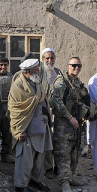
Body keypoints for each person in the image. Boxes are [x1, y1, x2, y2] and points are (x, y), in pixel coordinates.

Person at [49, 57, 97, 192]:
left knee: (75, 151)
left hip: (78, 123)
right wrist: (70, 118)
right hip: (64, 124)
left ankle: (71, 176)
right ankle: (64, 182)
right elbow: (55, 102)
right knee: (63, 152)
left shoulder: (78, 84)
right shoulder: (61, 82)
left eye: (79, 66)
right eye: (74, 65)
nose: (77, 68)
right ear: (68, 66)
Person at [8, 59, 53, 192]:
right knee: (25, 158)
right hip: (26, 126)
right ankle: (21, 185)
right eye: (37, 69)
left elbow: (42, 99)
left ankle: (36, 180)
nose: (39, 71)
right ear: (28, 71)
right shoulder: (18, 85)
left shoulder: (36, 81)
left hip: (40, 124)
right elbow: (15, 109)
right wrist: (19, 130)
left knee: (40, 156)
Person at [40, 48, 62, 178]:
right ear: (43, 59)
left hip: (57, 111)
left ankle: (58, 167)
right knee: (47, 140)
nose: (49, 61)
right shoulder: (39, 72)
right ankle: (47, 167)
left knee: (58, 140)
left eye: (52, 58)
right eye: (47, 58)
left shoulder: (58, 72)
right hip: (44, 110)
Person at [0, 57, 14, 163]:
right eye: (1, 65)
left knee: (7, 133)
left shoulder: (12, 77)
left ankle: (5, 155)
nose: (3, 67)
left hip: (8, 108)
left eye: (5, 65)